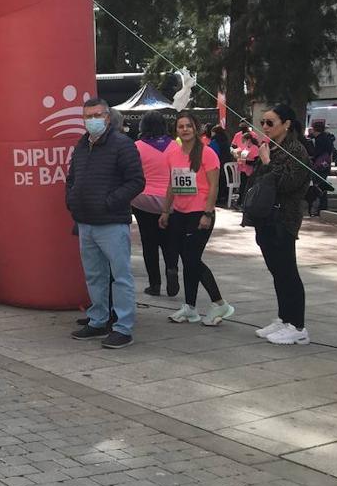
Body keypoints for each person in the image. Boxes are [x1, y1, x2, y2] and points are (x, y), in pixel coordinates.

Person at [67, 98, 145, 349]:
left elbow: (136, 181)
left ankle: (123, 328)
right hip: (86, 222)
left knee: (120, 276)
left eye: (97, 115)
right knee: (94, 275)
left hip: (111, 222)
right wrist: (71, 200)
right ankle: (98, 320)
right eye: (87, 116)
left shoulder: (123, 145)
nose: (92, 120)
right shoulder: (81, 146)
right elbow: (72, 178)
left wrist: (110, 202)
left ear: (108, 117)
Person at [160, 111, 235, 326]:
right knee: (187, 260)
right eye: (181, 126)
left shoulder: (207, 153)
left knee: (192, 258)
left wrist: (208, 213)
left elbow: (214, 186)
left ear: (197, 128)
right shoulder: (172, 153)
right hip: (180, 213)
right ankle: (190, 308)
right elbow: (172, 185)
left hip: (200, 212)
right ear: (176, 129)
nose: (184, 129)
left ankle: (219, 303)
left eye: (188, 126)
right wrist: (165, 211)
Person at [253, 104, 313, 345]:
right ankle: (284, 318)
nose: (265, 127)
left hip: (284, 219)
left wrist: (267, 162)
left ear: (286, 124)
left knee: (288, 272)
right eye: (263, 123)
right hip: (267, 218)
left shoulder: (296, 150)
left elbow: (287, 184)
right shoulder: (273, 147)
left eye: (270, 123)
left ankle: (297, 326)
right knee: (276, 270)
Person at [131, 111, 179, 297]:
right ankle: (172, 269)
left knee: (149, 243)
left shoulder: (137, 147)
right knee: (169, 242)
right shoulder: (175, 146)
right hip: (170, 201)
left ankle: (155, 284)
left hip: (143, 201)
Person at [309, 120, 336, 214]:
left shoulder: (319, 139)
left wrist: (312, 158)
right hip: (325, 165)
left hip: (319, 166)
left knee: (319, 185)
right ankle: (322, 206)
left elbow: (317, 153)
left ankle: (321, 206)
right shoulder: (326, 138)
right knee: (322, 185)